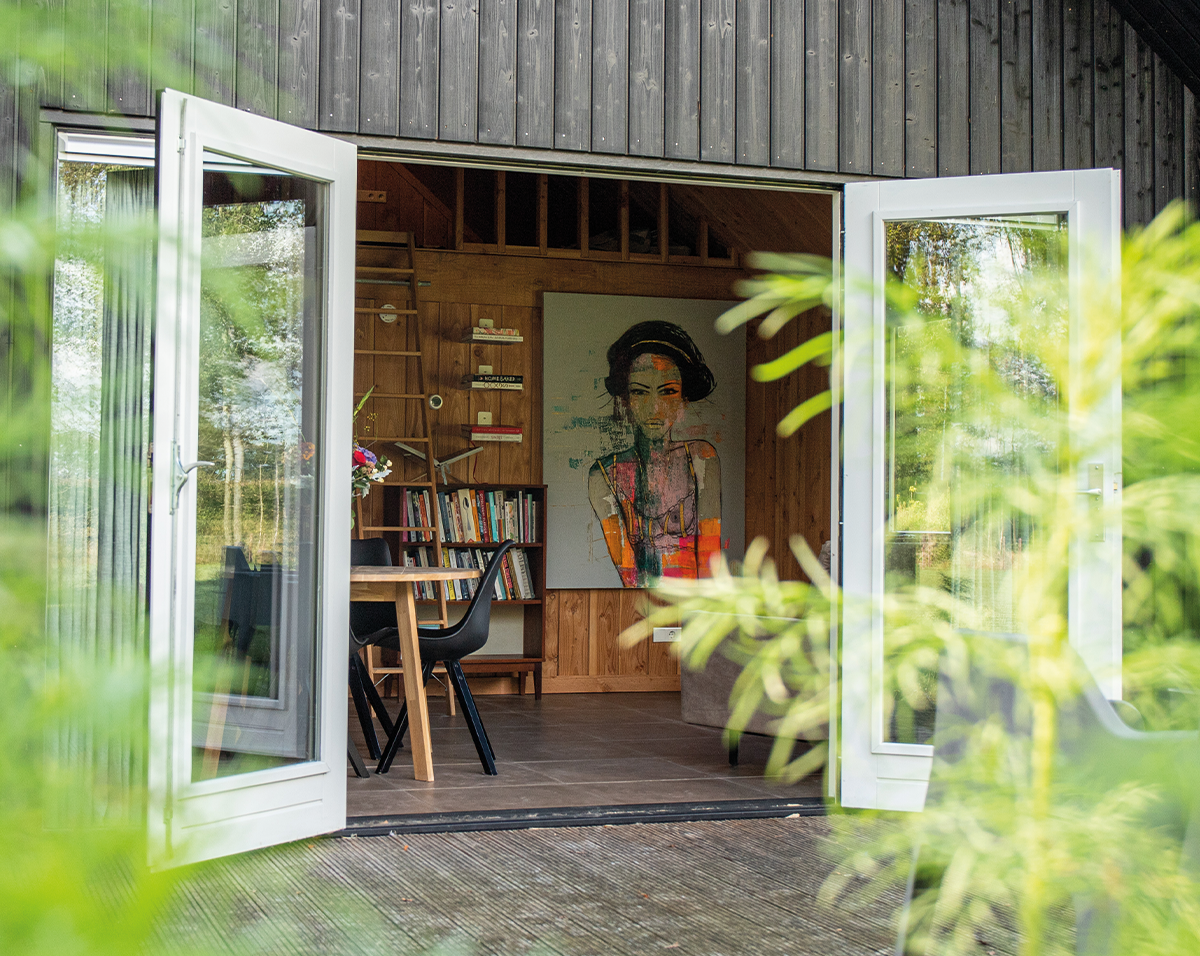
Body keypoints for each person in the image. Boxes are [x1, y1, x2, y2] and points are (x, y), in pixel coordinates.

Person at [588, 320, 722, 587]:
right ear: (625, 400)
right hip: (641, 604)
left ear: (684, 400)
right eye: (640, 391)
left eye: (668, 391)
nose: (655, 407)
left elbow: (710, 562)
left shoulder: (702, 458)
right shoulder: (603, 475)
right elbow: (628, 573)